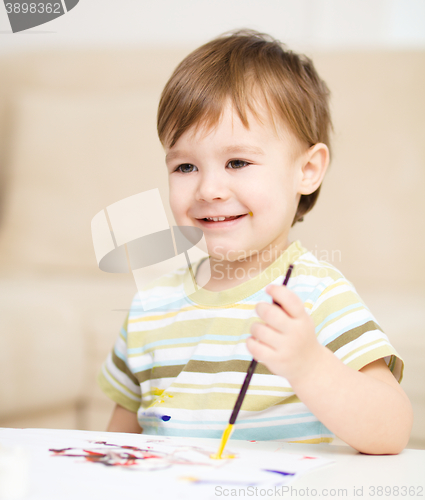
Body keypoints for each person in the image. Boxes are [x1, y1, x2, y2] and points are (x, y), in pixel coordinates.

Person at [98, 29, 413, 454]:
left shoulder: (316, 297)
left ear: (307, 170)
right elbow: (115, 442)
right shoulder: (149, 308)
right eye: (186, 166)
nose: (209, 188)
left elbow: (392, 431)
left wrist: (310, 366)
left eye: (238, 162)